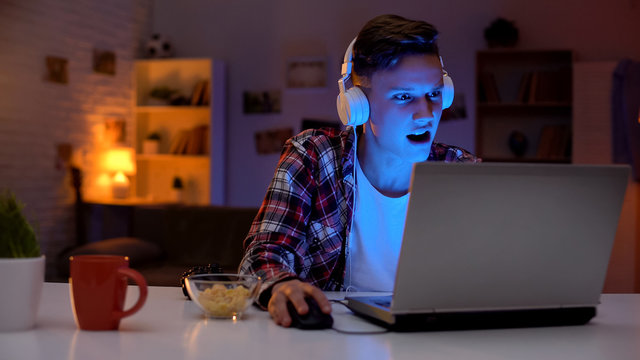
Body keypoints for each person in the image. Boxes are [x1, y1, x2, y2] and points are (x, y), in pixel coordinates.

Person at [239, 14, 479, 327]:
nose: (426, 113)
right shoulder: (313, 156)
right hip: (331, 340)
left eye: (434, 94)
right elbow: (264, 253)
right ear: (357, 104)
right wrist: (281, 285)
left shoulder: (462, 172)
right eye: (404, 96)